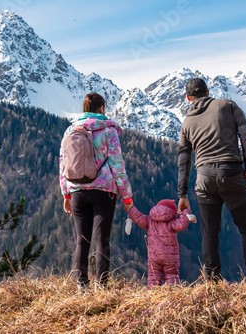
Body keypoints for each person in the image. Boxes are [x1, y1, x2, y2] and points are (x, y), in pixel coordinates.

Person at [177, 78, 246, 286]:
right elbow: (245, 135)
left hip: (204, 179)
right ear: (208, 91)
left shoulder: (187, 122)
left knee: (210, 232)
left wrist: (182, 194)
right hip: (232, 173)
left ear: (188, 98)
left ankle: (212, 283)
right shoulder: (227, 105)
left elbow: (183, 160)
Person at [60, 93, 133, 291]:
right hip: (103, 191)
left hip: (77, 191)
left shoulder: (70, 130)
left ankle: (82, 285)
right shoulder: (109, 131)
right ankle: (102, 287)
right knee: (102, 240)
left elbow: (63, 165)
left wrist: (66, 194)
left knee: (81, 241)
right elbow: (117, 165)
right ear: (101, 108)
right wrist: (127, 196)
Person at [126, 199, 196, 286]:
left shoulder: (149, 221)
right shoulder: (172, 222)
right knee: (171, 275)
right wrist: (185, 210)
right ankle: (171, 294)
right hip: (169, 257)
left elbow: (138, 217)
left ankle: (153, 294)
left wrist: (131, 209)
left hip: (154, 256)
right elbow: (182, 224)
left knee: (153, 277)